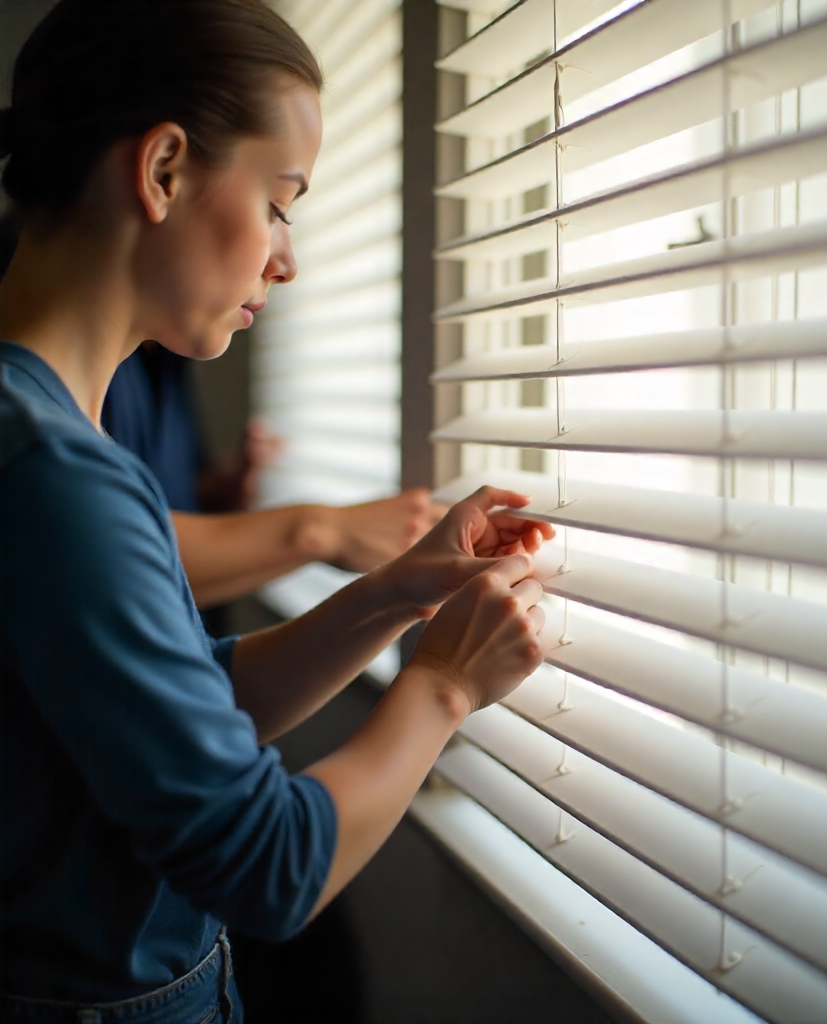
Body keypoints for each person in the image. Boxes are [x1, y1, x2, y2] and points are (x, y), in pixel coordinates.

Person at [0, 4, 555, 1024]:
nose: (286, 258)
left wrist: (391, 596)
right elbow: (264, 865)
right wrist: (441, 691)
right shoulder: (51, 471)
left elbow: (181, 705)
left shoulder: (42, 435)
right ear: (164, 170)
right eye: (279, 199)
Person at [102, 340, 446, 610]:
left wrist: (230, 483)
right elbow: (108, 555)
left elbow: (156, 496)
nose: (284, 267)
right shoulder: (94, 378)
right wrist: (322, 530)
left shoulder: (168, 359)